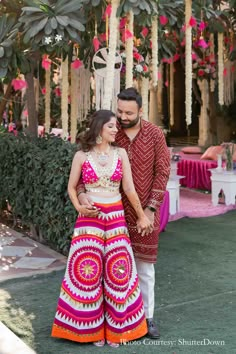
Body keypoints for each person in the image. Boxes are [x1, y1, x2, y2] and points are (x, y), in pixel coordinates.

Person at [51, 109, 153, 347]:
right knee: (87, 272)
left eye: (116, 126)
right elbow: (71, 187)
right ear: (99, 128)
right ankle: (90, 330)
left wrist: (141, 216)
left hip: (115, 217)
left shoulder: (121, 154)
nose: (116, 130)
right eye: (111, 126)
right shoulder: (82, 155)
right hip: (89, 220)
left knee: (118, 272)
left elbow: (128, 188)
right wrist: (80, 205)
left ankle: (118, 330)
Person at [78, 88, 170, 339]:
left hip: (145, 212)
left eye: (128, 112)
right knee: (109, 267)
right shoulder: (109, 131)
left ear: (141, 111)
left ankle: (147, 318)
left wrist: (150, 209)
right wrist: (82, 193)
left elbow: (163, 171)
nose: (123, 116)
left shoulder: (154, 134)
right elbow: (86, 164)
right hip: (111, 213)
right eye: (119, 111)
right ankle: (112, 319)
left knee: (144, 267)